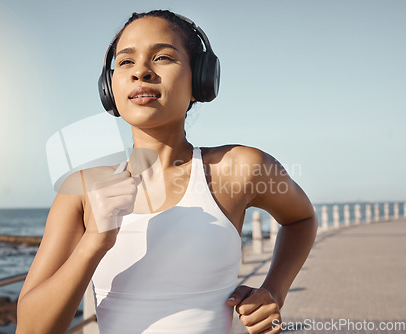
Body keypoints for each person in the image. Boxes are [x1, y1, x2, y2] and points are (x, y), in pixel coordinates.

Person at [16, 9, 318, 334]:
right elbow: (31, 329)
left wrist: (274, 290)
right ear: (109, 87)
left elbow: (301, 219)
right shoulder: (82, 190)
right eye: (126, 61)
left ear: (200, 81)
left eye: (162, 57)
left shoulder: (239, 168)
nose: (141, 72)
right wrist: (94, 242)